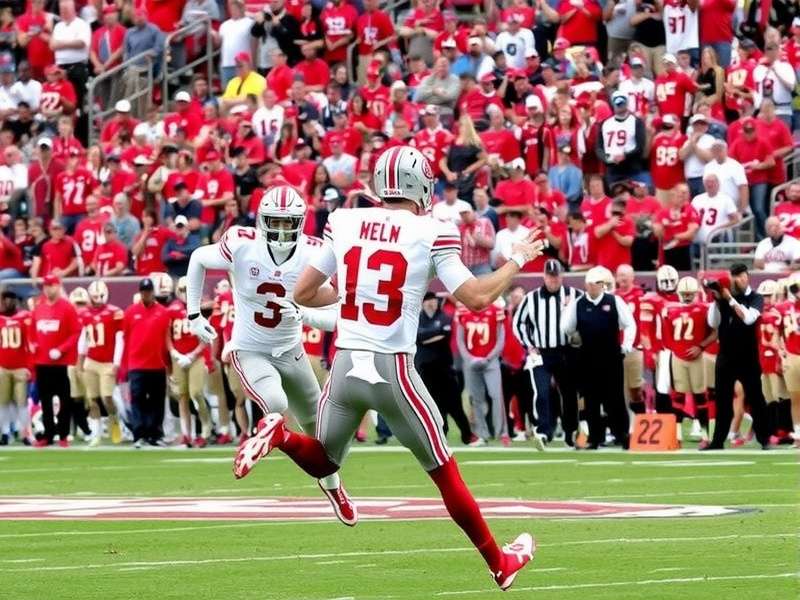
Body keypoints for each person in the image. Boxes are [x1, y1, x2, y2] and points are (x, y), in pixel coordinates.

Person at [243, 146, 542, 589]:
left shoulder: (345, 220)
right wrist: (517, 258)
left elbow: (305, 293)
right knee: (444, 472)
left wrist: (352, 293)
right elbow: (477, 297)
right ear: (420, 184)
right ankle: (499, 562)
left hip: (344, 364)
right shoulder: (433, 231)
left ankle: (282, 434)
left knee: (326, 459)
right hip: (392, 370)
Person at [184, 185, 355, 525]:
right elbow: (198, 259)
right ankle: (268, 435)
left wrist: (305, 314)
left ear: (300, 223)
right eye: (273, 223)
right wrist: (193, 314)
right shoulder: (243, 244)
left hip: (291, 351)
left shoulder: (314, 252)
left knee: (322, 435)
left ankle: (333, 486)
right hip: (250, 349)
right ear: (262, 221)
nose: (279, 231)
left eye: (286, 223)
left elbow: (340, 311)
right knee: (275, 404)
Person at [562, 266, 636, 449]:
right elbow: (566, 326)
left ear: (603, 285)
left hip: (611, 356)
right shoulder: (578, 304)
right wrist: (574, 336)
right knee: (591, 399)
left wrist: (626, 346)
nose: (593, 287)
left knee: (615, 398)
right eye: (591, 284)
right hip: (587, 357)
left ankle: (622, 434)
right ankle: (595, 438)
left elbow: (629, 324)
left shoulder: (614, 301)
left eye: (597, 284)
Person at [512, 258, 582, 447]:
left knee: (568, 393)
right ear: (544, 276)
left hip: (566, 351)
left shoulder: (574, 295)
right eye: (550, 277)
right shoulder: (531, 298)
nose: (553, 280)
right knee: (541, 392)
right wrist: (528, 345)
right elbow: (518, 323)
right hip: (541, 352)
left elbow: (585, 312)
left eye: (556, 276)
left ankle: (570, 431)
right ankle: (543, 432)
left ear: (562, 276)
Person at [703, 263, 769, 450]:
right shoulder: (724, 298)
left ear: (747, 276)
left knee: (756, 398)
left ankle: (764, 439)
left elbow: (748, 319)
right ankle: (717, 441)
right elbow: (713, 322)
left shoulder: (756, 298)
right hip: (725, 355)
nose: (737, 279)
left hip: (748, 356)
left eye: (740, 275)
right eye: (734, 276)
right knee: (722, 400)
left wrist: (729, 298)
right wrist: (716, 300)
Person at [31, 275, 81, 447]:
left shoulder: (67, 308)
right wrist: (34, 344)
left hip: (60, 363)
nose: (47, 289)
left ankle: (63, 434)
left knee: (64, 399)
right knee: (45, 400)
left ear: (58, 286)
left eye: (51, 285)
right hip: (42, 362)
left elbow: (75, 332)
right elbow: (32, 331)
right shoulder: (39, 307)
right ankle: (48, 434)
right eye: (45, 286)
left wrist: (61, 350)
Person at [120, 277, 170, 448]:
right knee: (138, 400)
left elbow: (166, 341)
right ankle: (139, 434)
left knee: (157, 401)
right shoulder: (130, 312)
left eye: (148, 291)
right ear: (140, 292)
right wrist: (124, 366)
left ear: (153, 292)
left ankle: (155, 434)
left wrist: (168, 365)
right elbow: (126, 340)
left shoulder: (163, 312)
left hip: (157, 364)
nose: (146, 294)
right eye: (143, 291)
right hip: (137, 364)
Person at [416, 292, 473, 444]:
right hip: (426, 370)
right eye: (428, 301)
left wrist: (425, 337)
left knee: (455, 404)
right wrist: (433, 335)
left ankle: (467, 435)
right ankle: (441, 435)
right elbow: (419, 337)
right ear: (423, 303)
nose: (431, 304)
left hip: (445, 369)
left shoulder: (445, 317)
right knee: (434, 404)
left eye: (433, 301)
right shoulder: (417, 319)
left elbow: (445, 334)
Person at [167, 276, 212, 448]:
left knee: (196, 393)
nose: (186, 293)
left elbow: (205, 337)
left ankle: (206, 429)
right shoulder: (172, 310)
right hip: (178, 357)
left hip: (195, 357)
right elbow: (167, 336)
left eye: (189, 289)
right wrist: (175, 354)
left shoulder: (200, 309)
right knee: (182, 397)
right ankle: (186, 434)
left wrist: (192, 355)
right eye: (184, 290)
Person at [456, 300, 508, 446]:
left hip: (490, 361)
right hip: (471, 362)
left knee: (496, 395)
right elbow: (460, 340)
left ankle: (501, 432)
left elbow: (500, 339)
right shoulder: (463, 311)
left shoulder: (496, 310)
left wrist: (489, 358)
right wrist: (469, 358)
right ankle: (481, 433)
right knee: (475, 398)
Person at [78, 280, 124, 446]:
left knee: (107, 397)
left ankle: (115, 421)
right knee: (92, 399)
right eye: (95, 296)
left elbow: (120, 339)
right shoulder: (85, 313)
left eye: (101, 295)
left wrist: (116, 362)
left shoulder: (114, 312)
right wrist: (80, 359)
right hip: (91, 360)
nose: (98, 299)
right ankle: (96, 433)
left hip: (107, 362)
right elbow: (84, 338)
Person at [0, 291, 33, 445]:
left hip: (20, 367)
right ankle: (5, 433)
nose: (7, 303)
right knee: (3, 402)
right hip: (3, 367)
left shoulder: (25, 317)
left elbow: (31, 343)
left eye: (9, 300)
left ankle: (24, 433)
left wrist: (29, 367)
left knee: (22, 402)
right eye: (4, 300)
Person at [596, 92, 647, 186]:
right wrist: (607, 158)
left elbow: (640, 146)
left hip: (632, 169)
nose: (619, 107)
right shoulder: (605, 124)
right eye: (617, 104)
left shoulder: (636, 122)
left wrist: (625, 156)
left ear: (627, 103)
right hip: (613, 170)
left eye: (622, 103)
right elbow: (599, 148)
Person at [458, 204, 495, 275]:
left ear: (473, 212)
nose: (465, 216)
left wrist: (480, 240)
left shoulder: (484, 222)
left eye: (467, 213)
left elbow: (492, 244)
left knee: (487, 284)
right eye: (462, 214)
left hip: (481, 266)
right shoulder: (460, 227)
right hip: (465, 267)